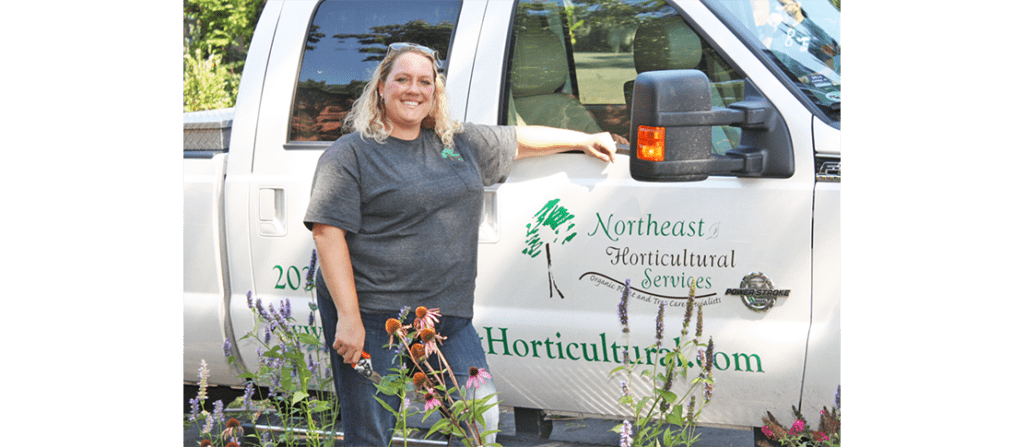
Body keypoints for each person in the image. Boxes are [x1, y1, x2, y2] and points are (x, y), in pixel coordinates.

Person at [303, 42, 616, 446]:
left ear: (435, 91)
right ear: (381, 87)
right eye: (402, 79)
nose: (413, 89)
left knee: (478, 421)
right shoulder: (351, 154)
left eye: (424, 81)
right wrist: (349, 318)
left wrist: (583, 139)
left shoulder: (456, 142)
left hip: (445, 316)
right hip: (378, 316)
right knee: (371, 434)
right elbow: (327, 233)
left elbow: (518, 139)